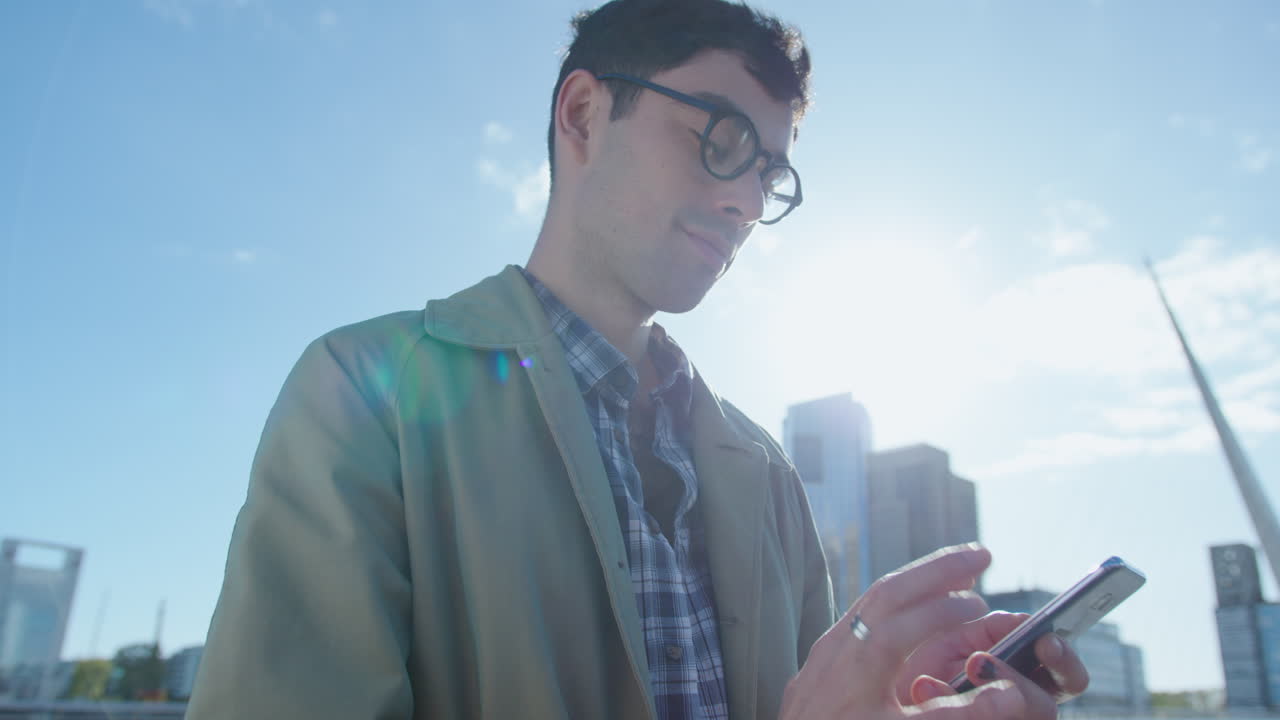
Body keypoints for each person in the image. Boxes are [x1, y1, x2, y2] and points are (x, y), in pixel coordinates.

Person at [186, 1, 1090, 718]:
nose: (743, 201)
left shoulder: (768, 477)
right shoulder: (366, 392)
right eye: (721, 138)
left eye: (768, 174)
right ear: (583, 112)